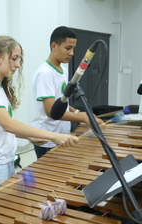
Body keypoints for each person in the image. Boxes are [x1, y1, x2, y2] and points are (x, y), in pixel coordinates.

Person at [0, 35, 78, 196]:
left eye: (19, 59)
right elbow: (7, 124)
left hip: (4, 159)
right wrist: (53, 135)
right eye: (14, 59)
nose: (18, 64)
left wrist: (29, 138)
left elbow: (3, 127)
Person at [31, 26, 104, 159]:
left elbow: (61, 101)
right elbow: (51, 111)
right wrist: (82, 117)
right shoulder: (45, 73)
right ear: (54, 46)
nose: (72, 53)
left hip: (61, 135)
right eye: (68, 48)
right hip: (47, 138)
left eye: (73, 49)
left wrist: (76, 112)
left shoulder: (63, 71)